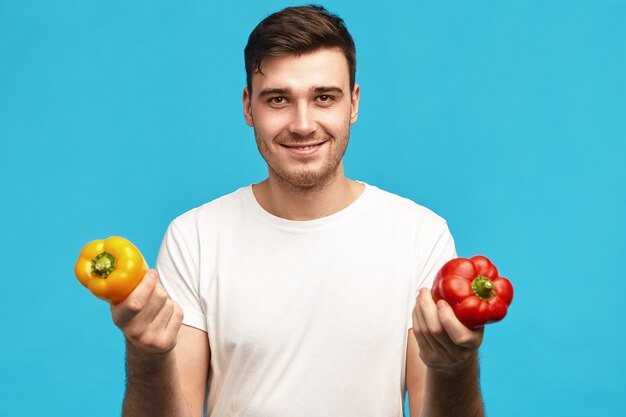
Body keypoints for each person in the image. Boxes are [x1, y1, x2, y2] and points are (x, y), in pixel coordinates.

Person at [110, 5, 485, 417]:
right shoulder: (195, 237)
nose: (303, 124)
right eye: (278, 99)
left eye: (324, 97)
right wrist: (146, 358)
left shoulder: (420, 235)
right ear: (248, 107)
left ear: (353, 104)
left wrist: (457, 366)